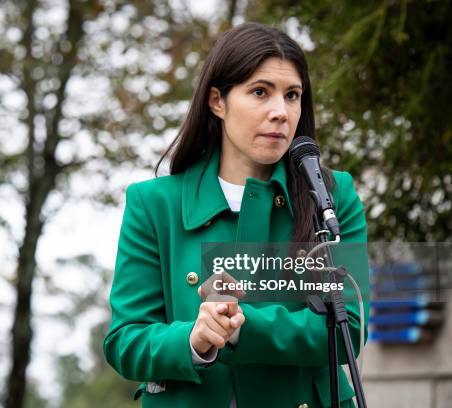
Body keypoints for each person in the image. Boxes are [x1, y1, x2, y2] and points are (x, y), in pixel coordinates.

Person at [103, 22, 368, 408]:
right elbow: (125, 340)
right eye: (260, 92)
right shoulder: (153, 203)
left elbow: (352, 331)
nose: (281, 112)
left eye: (292, 95)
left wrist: (245, 328)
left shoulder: (332, 194)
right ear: (217, 101)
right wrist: (193, 339)